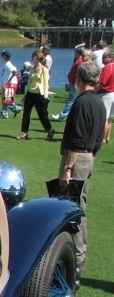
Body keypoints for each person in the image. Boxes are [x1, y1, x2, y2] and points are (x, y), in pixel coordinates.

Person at [58, 60, 105, 274]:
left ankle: (76, 256)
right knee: (79, 204)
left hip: (78, 158)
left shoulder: (82, 102)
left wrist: (68, 167)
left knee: (73, 206)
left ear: (79, 79)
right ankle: (77, 253)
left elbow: (77, 138)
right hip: (89, 156)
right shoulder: (99, 102)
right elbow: (99, 136)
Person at [19, 48, 54, 140]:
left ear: (38, 57)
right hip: (31, 93)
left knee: (42, 115)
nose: (32, 58)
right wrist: (25, 94)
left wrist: (45, 96)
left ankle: (50, 130)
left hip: (40, 94)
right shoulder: (31, 69)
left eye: (34, 56)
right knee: (26, 113)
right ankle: (24, 133)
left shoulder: (44, 70)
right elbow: (29, 82)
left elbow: (46, 83)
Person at [52, 45, 89, 121]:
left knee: (71, 101)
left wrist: (76, 84)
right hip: (73, 83)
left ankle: (62, 116)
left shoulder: (80, 62)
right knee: (73, 100)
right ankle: (72, 115)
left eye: (75, 52)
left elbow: (78, 74)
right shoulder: (78, 60)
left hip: (75, 84)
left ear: (77, 53)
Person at [0, 50, 21, 119]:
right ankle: (4, 113)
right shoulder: (8, 64)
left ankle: (16, 109)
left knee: (7, 100)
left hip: (9, 84)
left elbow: (14, 72)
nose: (1, 57)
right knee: (5, 99)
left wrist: (9, 80)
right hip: (7, 84)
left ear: (4, 57)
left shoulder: (8, 64)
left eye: (2, 56)